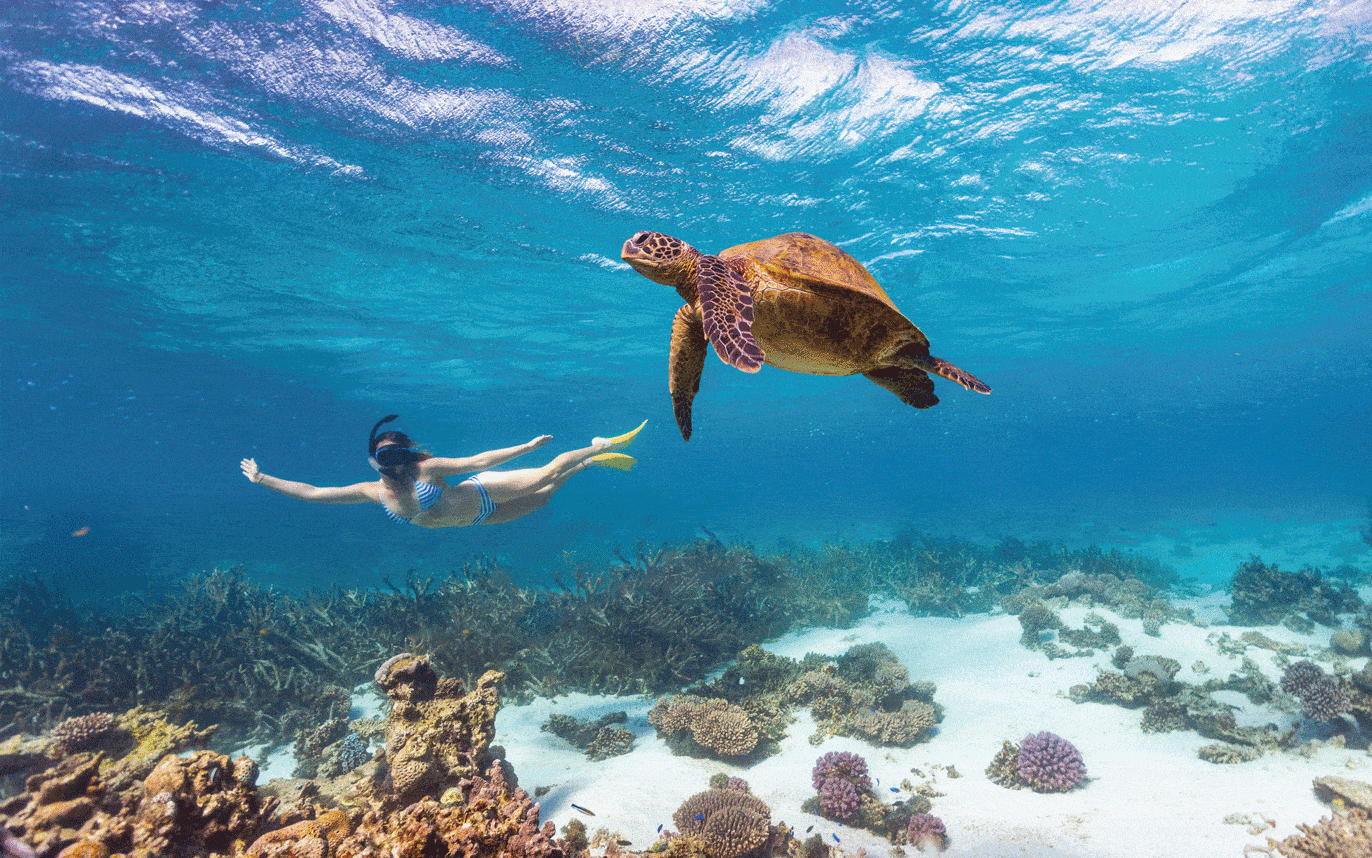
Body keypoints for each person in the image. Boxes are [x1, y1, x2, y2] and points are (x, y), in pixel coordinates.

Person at [240, 415, 645, 527]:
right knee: (544, 497)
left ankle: (600, 444)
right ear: (373, 460)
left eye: (398, 455)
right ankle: (589, 461)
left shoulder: (427, 469)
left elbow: (479, 461)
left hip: (481, 492)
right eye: (384, 458)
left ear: (407, 455)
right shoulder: (370, 491)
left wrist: (525, 447)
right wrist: (262, 479)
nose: (393, 464)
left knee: (543, 475)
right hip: (477, 520)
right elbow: (313, 493)